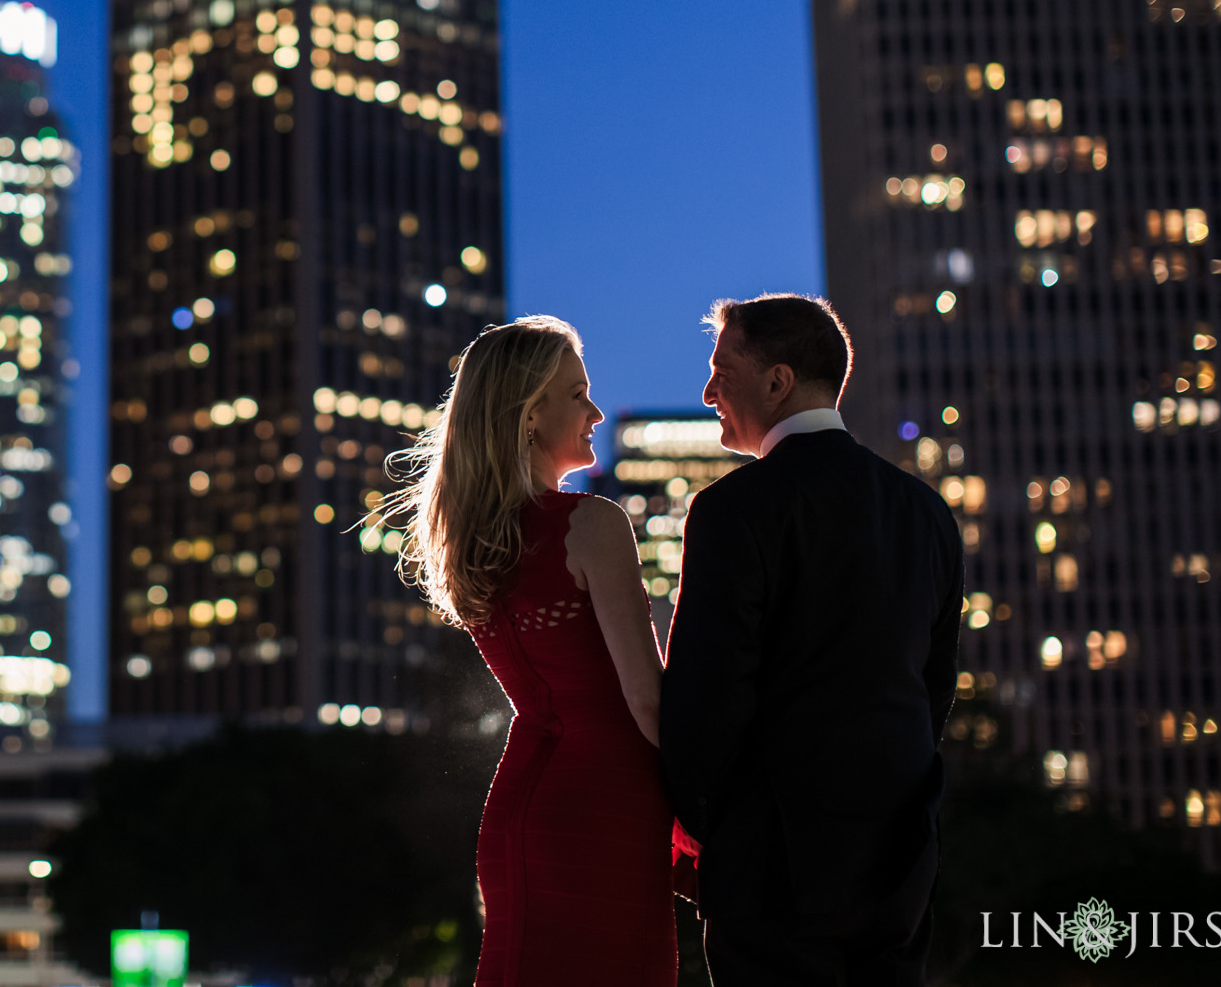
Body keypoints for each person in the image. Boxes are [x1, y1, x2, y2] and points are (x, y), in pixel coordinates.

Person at [660, 294, 963, 985]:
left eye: (722, 369)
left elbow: (707, 694)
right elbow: (932, 688)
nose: (709, 390)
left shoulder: (733, 509)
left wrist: (706, 825)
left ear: (778, 380)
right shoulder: (926, 513)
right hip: (900, 861)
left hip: (775, 868)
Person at [392, 316, 676, 986]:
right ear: (528, 414)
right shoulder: (593, 525)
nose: (596, 411)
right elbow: (647, 700)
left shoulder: (475, 542)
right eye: (578, 394)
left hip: (526, 807)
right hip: (608, 808)